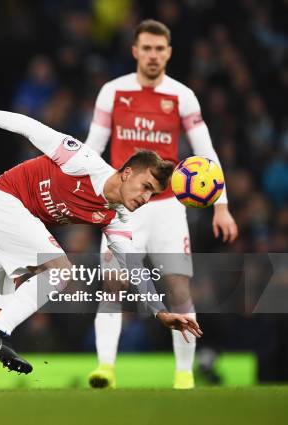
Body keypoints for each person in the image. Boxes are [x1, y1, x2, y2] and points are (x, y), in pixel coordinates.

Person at [0, 94, 202, 390]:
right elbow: (29, 126)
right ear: (127, 173)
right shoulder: (83, 160)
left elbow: (134, 267)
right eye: (145, 186)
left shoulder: (115, 219)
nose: (145, 198)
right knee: (61, 270)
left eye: (152, 194)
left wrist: (160, 312)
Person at [84, 19, 238, 390]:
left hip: (168, 206)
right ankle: (106, 369)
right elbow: (93, 148)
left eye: (159, 49)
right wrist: (86, 197)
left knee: (178, 289)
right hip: (124, 208)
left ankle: (183, 374)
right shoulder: (113, 92)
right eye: (147, 48)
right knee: (113, 285)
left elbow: (205, 152)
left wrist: (222, 204)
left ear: (168, 52)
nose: (153, 55)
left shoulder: (181, 96)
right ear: (135, 51)